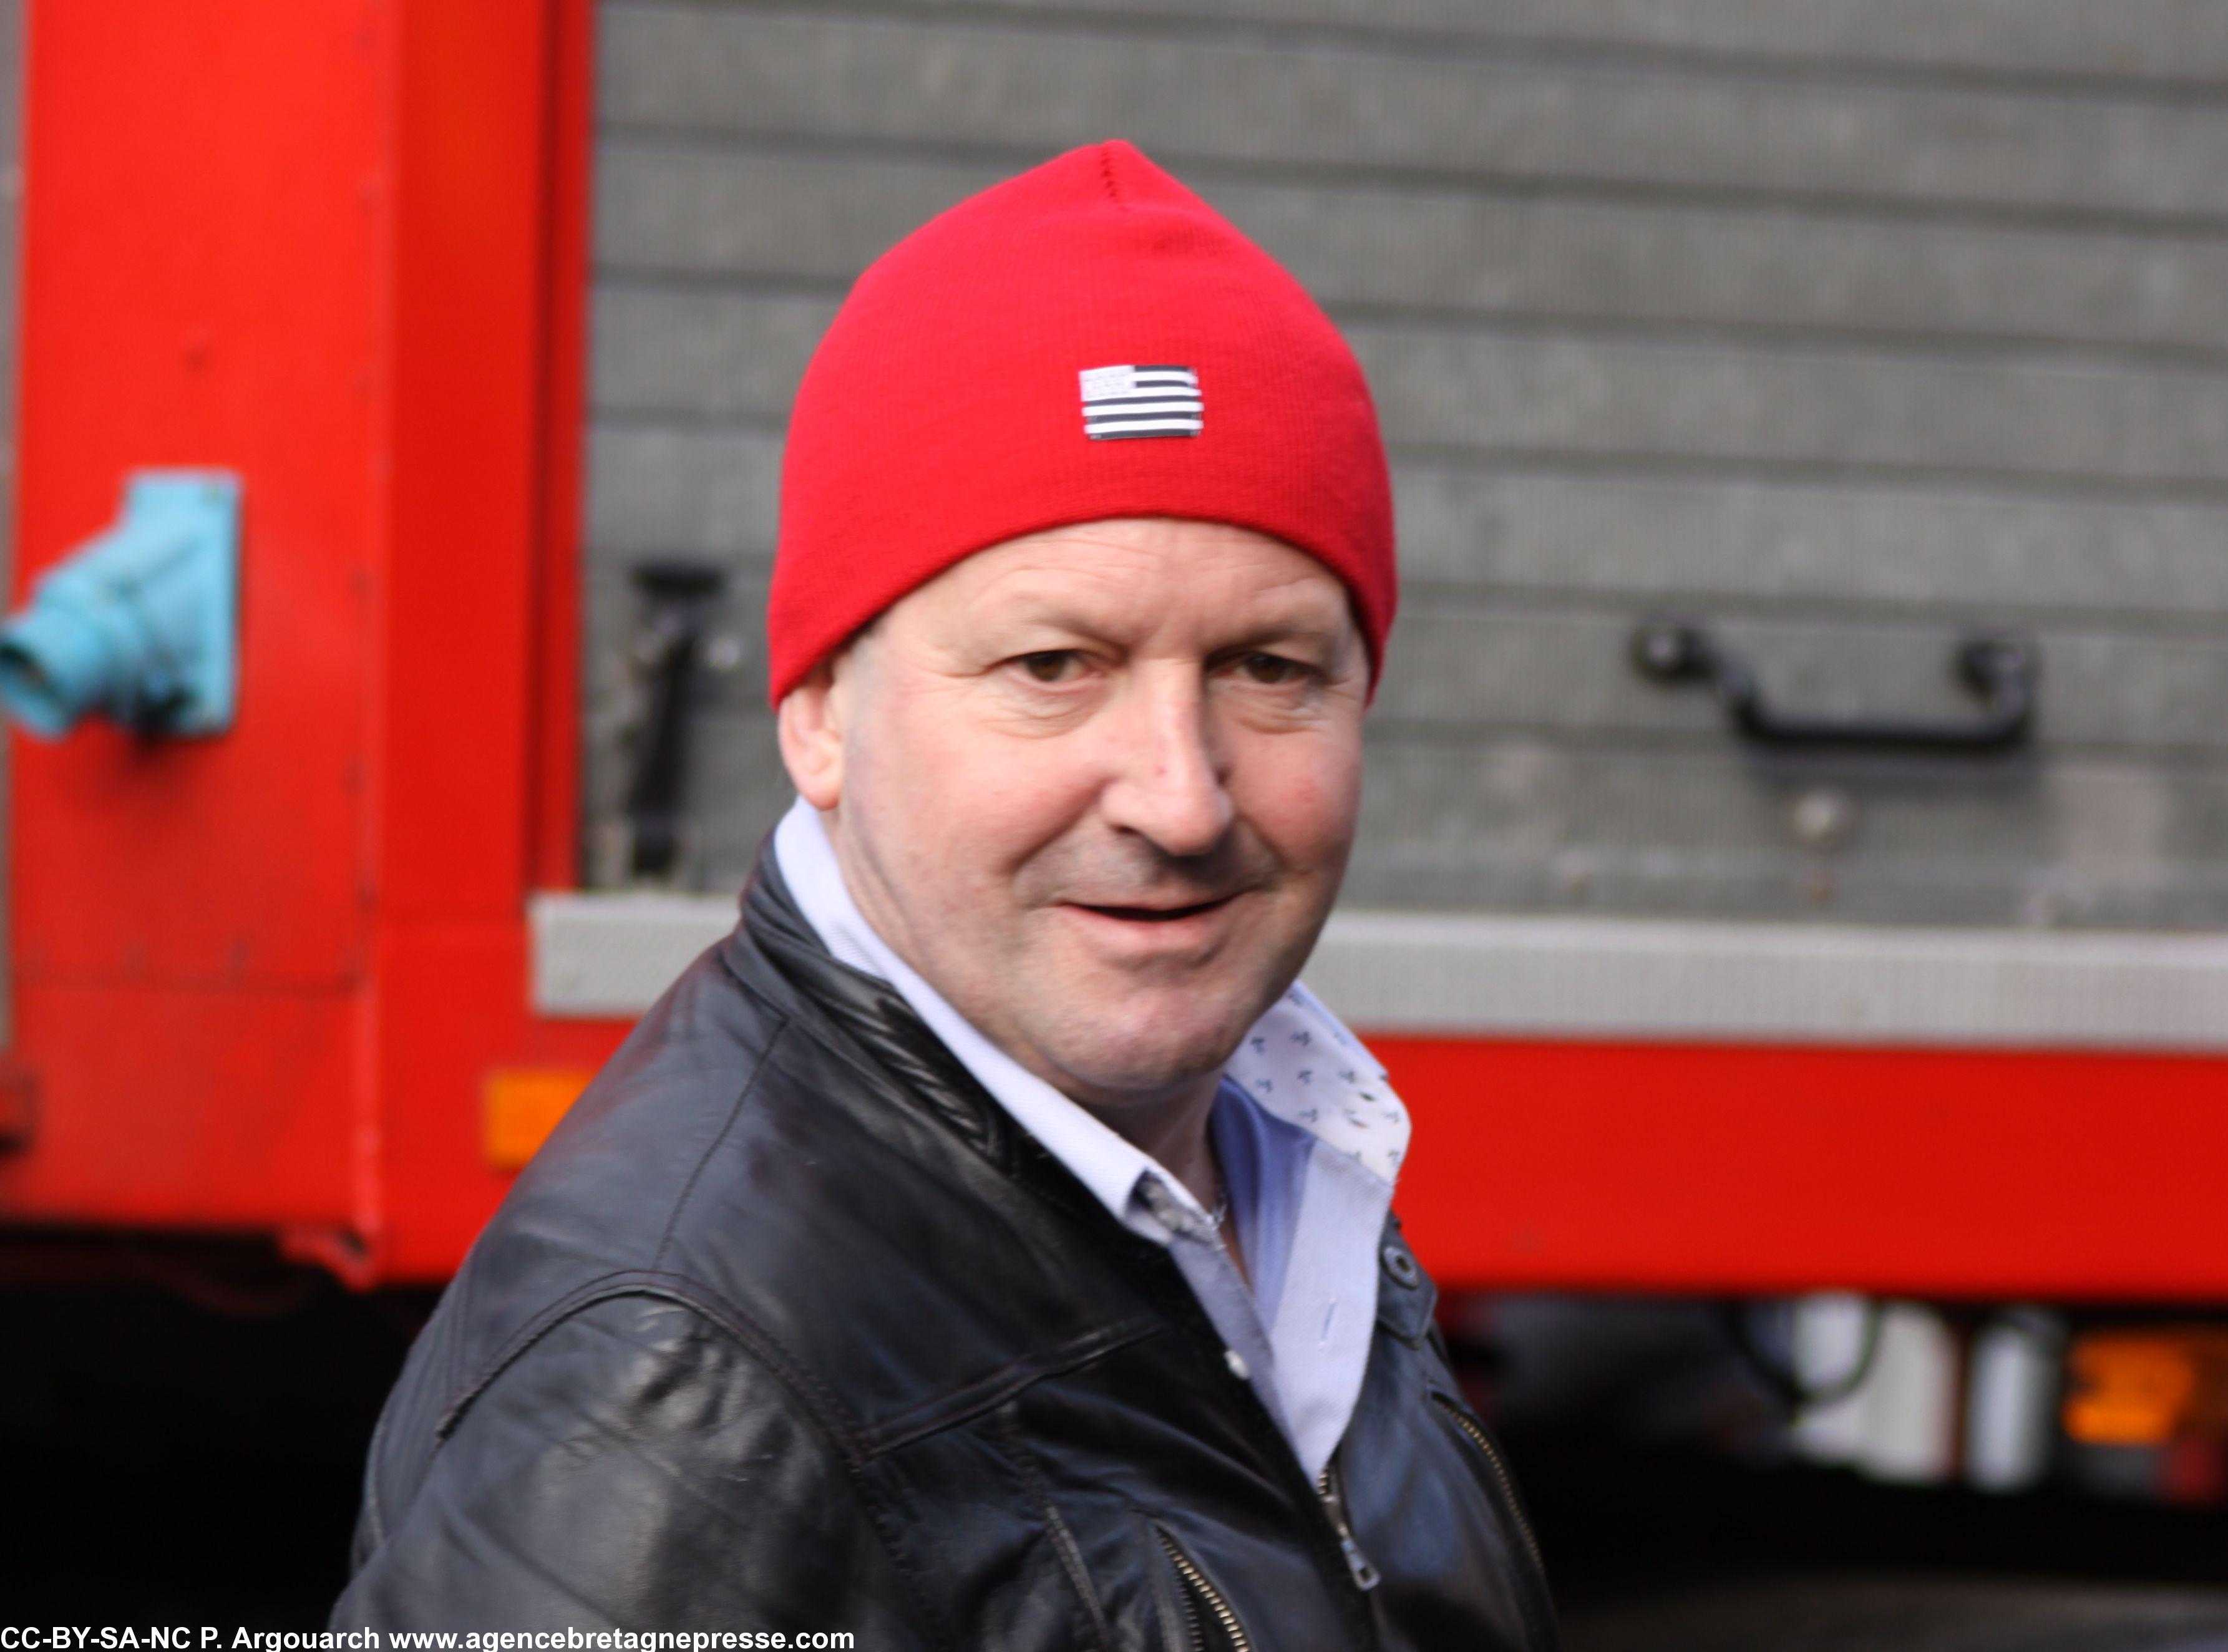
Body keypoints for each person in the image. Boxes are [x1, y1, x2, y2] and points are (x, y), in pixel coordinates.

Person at [333, 140, 1555, 1649]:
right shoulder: (678, 1389)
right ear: (817, 714)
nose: (1181, 797)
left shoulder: (1281, 1166)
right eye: (1054, 666)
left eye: (1268, 668)